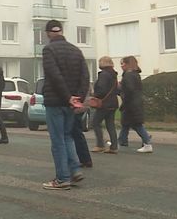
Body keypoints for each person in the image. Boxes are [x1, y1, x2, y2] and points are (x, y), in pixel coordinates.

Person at [41, 19, 88, 190]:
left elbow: (54, 75)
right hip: (71, 103)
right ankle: (75, 170)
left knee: (58, 140)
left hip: (56, 102)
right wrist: (78, 98)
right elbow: (85, 76)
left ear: (48, 33)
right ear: (61, 31)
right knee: (68, 136)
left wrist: (67, 97)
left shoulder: (48, 50)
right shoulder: (76, 50)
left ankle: (62, 178)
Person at [118, 56, 153, 153]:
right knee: (126, 124)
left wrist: (121, 90)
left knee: (136, 124)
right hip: (135, 103)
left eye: (123, 63)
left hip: (131, 104)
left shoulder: (128, 75)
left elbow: (129, 90)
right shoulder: (135, 74)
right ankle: (121, 140)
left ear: (127, 64)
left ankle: (147, 142)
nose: (121, 66)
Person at [90, 56, 119, 154]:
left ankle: (100, 144)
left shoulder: (103, 75)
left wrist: (95, 94)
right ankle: (114, 146)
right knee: (110, 125)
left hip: (104, 103)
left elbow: (102, 89)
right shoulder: (114, 75)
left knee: (95, 123)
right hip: (113, 103)